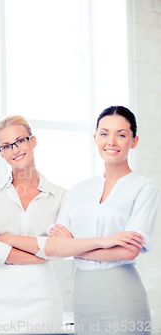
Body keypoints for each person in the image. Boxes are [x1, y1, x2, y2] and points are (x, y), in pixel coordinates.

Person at [43, 106, 159, 334]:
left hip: (122, 292)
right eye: (104, 133)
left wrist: (73, 247)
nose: (111, 141)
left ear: (134, 141)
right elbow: (54, 247)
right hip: (83, 294)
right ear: (95, 137)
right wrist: (106, 241)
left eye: (121, 134)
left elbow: (128, 252)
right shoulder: (78, 190)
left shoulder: (144, 188)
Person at [0, 115, 66, 334]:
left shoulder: (60, 196)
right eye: (6, 146)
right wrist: (41, 254)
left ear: (33, 141)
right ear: (1, 153)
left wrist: (8, 240)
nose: (15, 149)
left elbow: (61, 250)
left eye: (20, 141)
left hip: (43, 297)